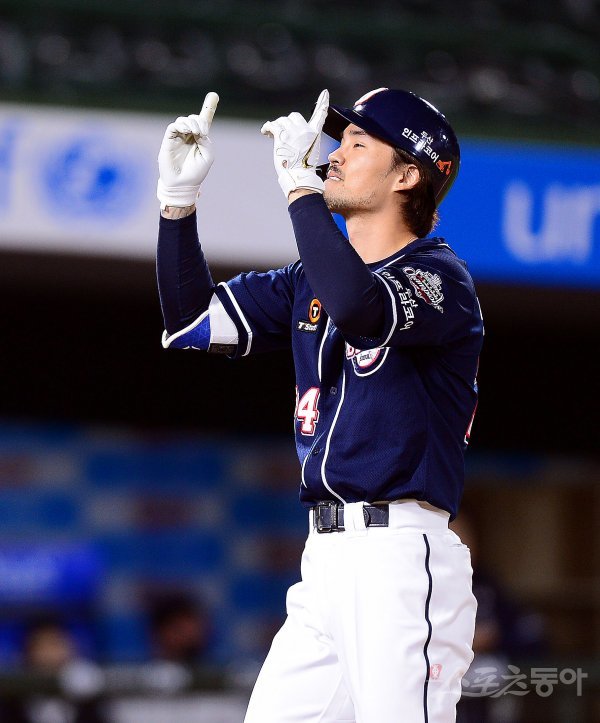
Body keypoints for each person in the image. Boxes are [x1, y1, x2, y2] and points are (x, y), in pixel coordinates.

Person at [156, 86, 484, 723]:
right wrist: (178, 202)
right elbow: (191, 322)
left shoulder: (441, 278)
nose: (334, 153)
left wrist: (301, 192)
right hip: (325, 562)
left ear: (407, 175)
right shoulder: (308, 280)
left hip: (399, 555)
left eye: (358, 143)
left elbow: (362, 309)